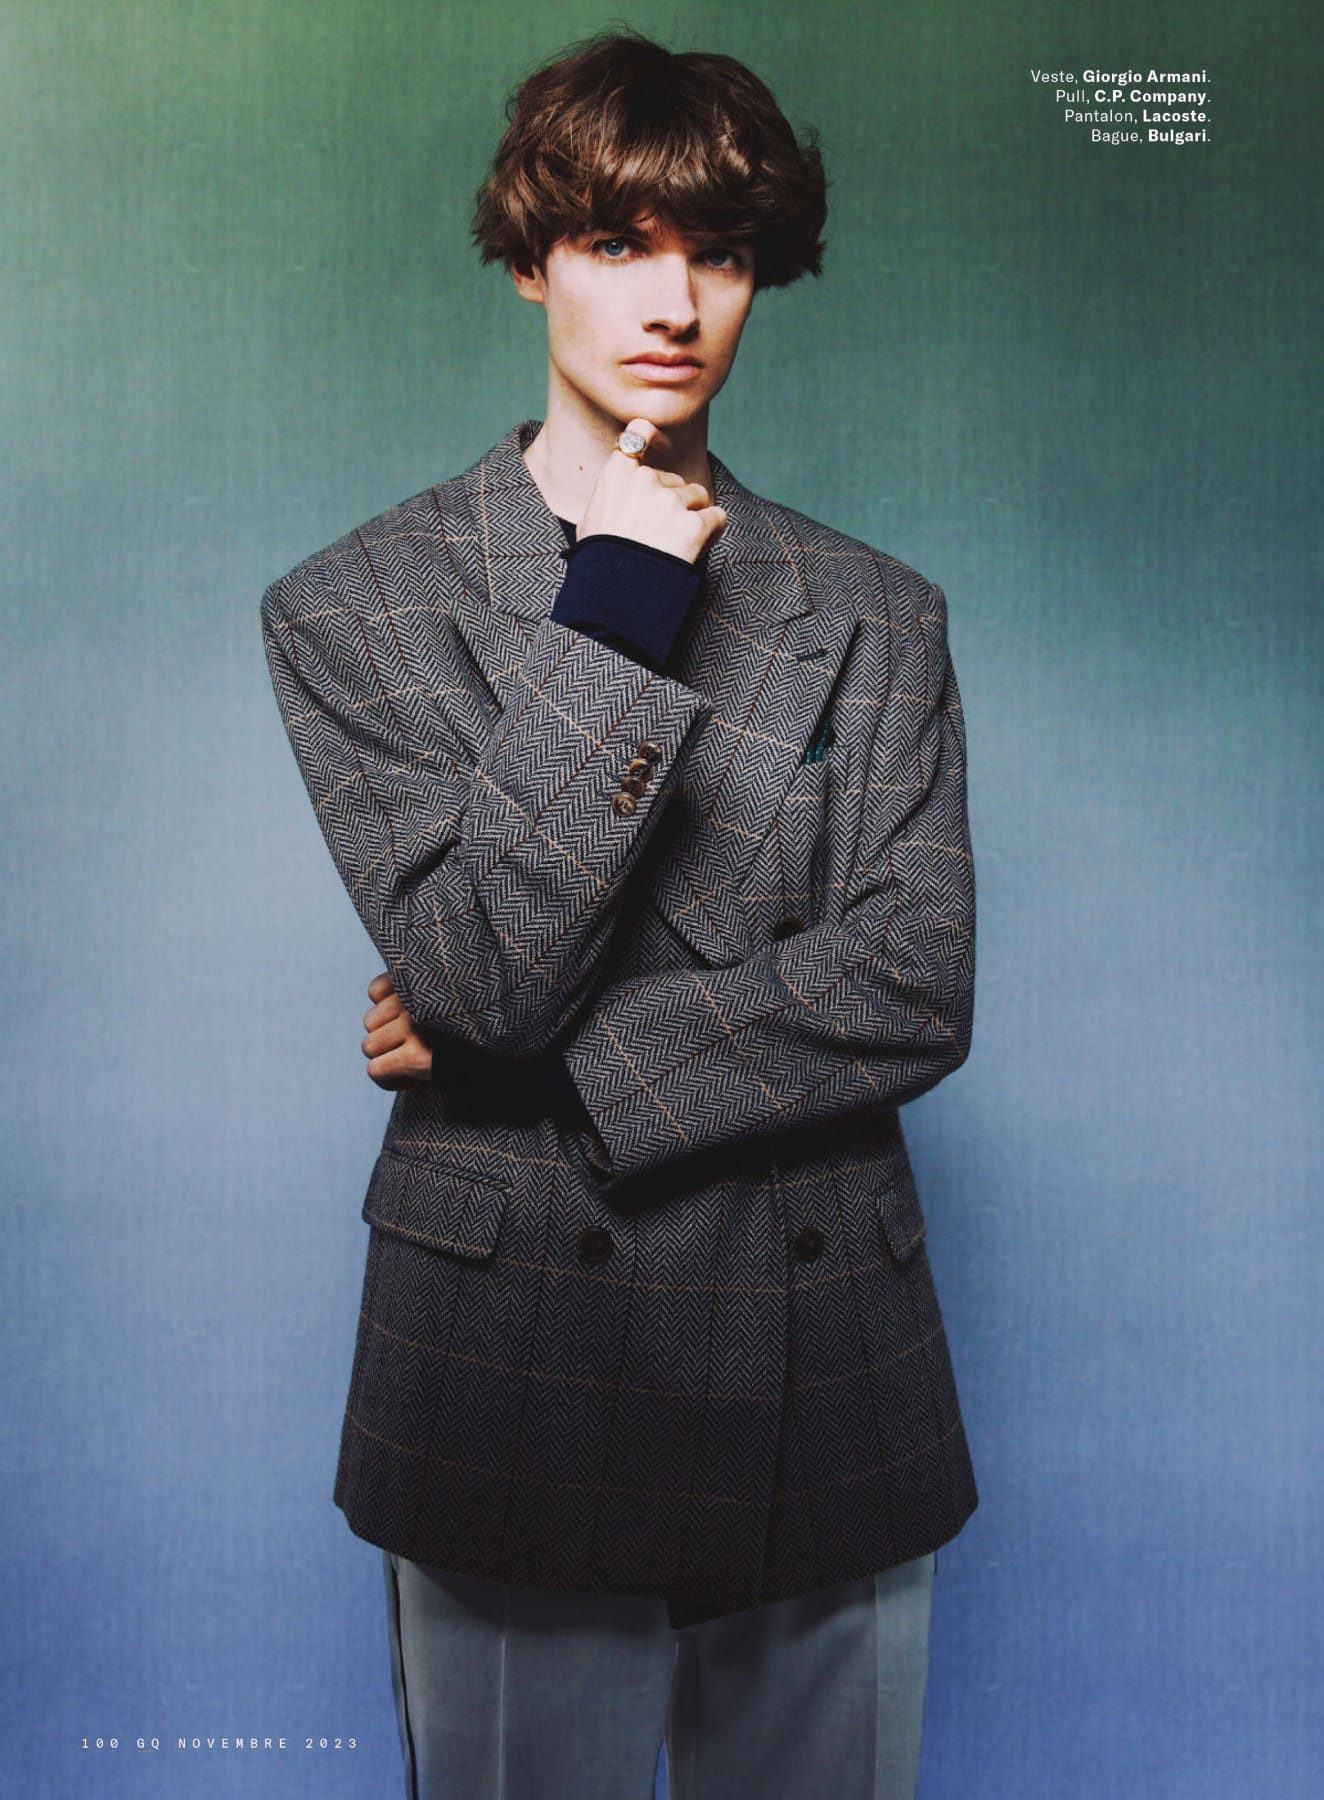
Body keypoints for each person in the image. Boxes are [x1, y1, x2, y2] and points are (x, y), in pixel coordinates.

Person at [262, 29, 978, 1800]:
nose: (673, 301)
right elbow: (492, 972)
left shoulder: (876, 611)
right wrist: (624, 600)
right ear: (530, 263)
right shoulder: (358, 605)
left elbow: (914, 982)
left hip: (824, 1351)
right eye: (614, 242)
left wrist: (531, 1064)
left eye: (717, 253)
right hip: (512, 1352)